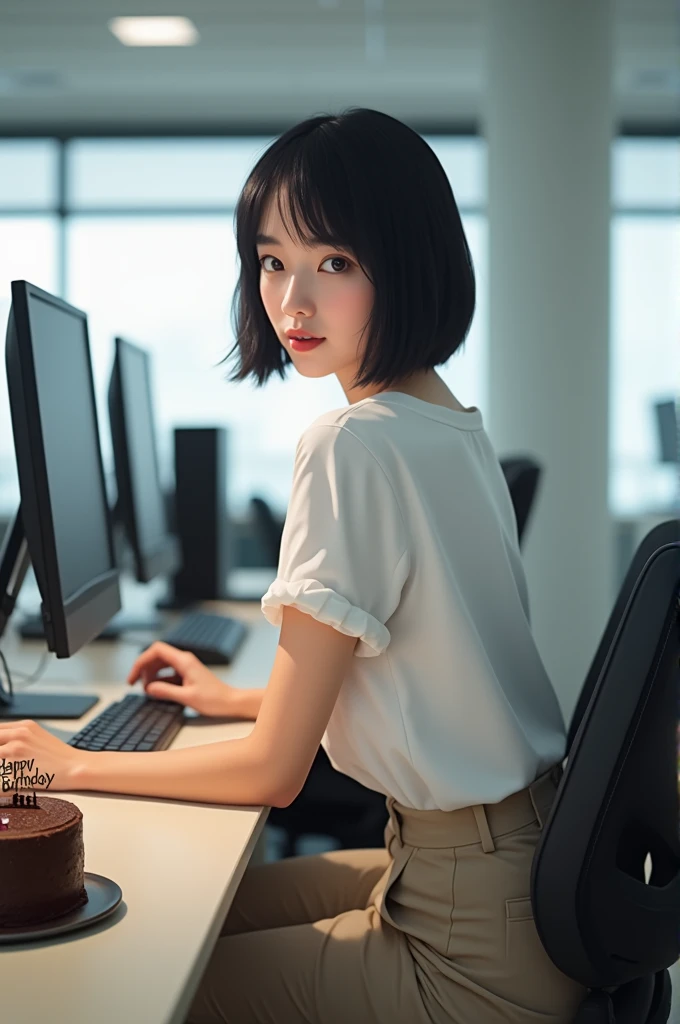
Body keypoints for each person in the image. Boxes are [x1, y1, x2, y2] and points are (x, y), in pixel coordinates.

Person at [0, 108, 587, 1023]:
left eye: (336, 263)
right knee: (176, 922)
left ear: (410, 261)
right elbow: (424, 671)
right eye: (274, 262)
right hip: (528, 876)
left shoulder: (354, 443)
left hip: (469, 939)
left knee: (120, 989)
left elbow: (274, 775)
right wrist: (237, 700)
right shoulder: (449, 426)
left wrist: (69, 763)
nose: (293, 303)